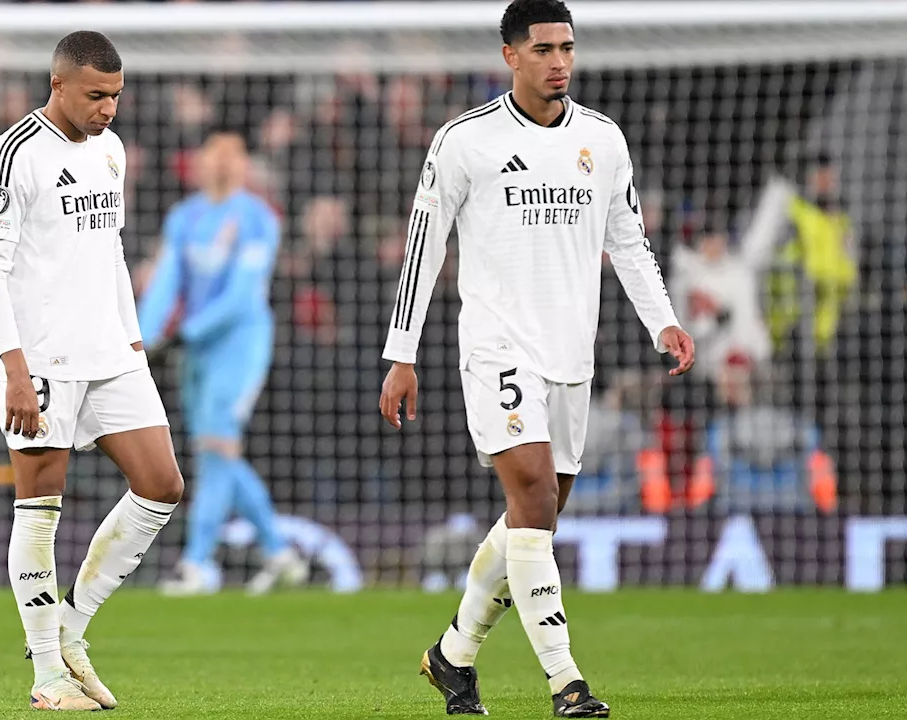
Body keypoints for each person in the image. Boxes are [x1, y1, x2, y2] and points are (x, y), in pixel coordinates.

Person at [377, 1, 696, 716]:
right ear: (510, 56)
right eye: (545, 48)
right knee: (531, 500)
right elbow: (423, 250)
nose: (560, 62)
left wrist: (664, 321)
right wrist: (402, 355)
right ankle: (567, 681)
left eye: (568, 48)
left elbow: (629, 241)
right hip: (496, 344)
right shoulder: (465, 141)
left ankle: (452, 656)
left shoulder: (604, 141)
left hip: (569, 352)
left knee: (538, 516)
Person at [0, 30, 185, 711]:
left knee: (162, 485)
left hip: (108, 351)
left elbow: (110, 252)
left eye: (116, 97)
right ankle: (45, 672)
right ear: (58, 84)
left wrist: (132, 339)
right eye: (96, 96)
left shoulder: (111, 151)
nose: (108, 110)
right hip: (39, 357)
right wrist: (12, 367)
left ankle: (71, 626)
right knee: (39, 508)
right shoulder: (13, 156)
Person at [137, 129, 306, 596]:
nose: (222, 164)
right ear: (200, 162)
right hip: (194, 351)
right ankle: (279, 552)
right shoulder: (185, 216)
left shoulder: (257, 219)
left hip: (239, 345)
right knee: (214, 451)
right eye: (214, 155)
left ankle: (198, 564)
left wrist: (183, 333)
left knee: (215, 448)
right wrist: (140, 338)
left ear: (244, 165)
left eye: (232, 156)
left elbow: (241, 295)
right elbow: (167, 281)